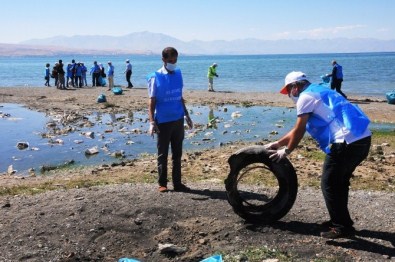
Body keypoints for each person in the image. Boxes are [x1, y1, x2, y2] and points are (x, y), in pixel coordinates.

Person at [265, 71, 371, 239]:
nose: (289, 95)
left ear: (295, 86)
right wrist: (278, 143)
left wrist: (287, 151)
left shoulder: (305, 98)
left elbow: (299, 129)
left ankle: (341, 226)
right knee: (339, 182)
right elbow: (296, 129)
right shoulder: (319, 90)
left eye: (288, 90)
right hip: (362, 139)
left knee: (328, 183)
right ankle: (341, 221)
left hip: (346, 142)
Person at [147, 47, 193, 193]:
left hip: (178, 119)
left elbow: (180, 97)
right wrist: (151, 122)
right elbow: (152, 101)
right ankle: (162, 183)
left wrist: (187, 115)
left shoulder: (178, 74)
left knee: (177, 154)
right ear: (164, 60)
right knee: (163, 154)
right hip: (163, 121)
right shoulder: (156, 77)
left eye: (175, 60)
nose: (173, 63)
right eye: (170, 60)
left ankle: (177, 183)